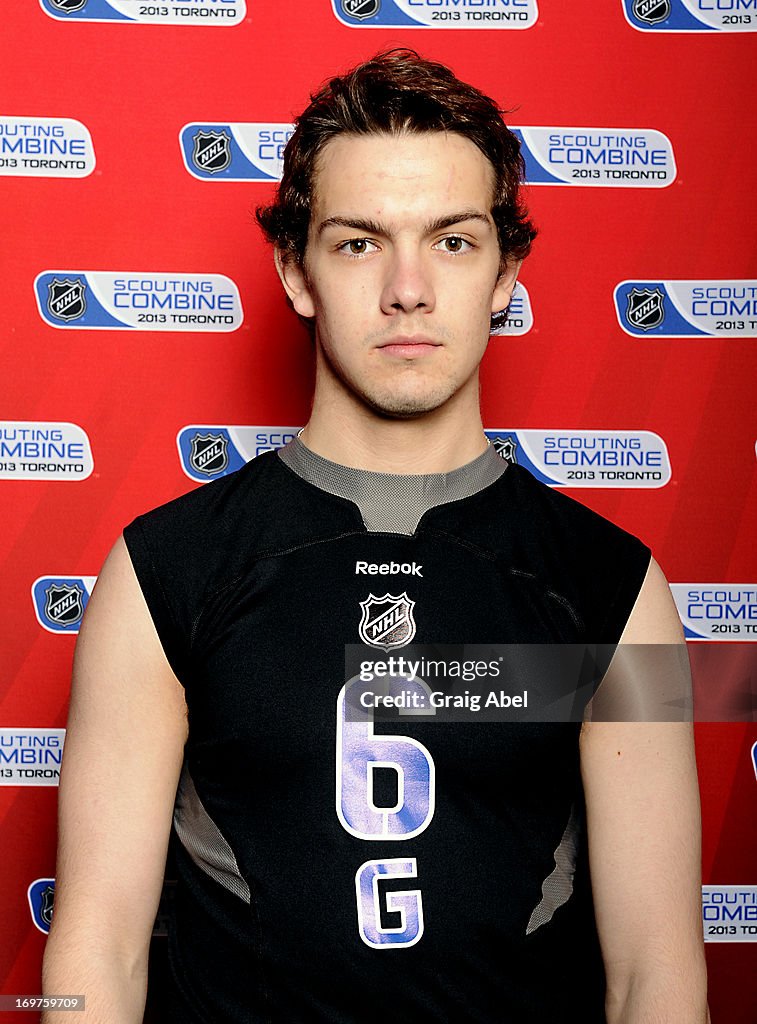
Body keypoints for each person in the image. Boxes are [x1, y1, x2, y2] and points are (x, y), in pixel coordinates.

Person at [42, 49, 709, 1023]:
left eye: (452, 241)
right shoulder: (167, 571)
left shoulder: (608, 588)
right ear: (296, 272)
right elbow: (97, 950)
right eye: (358, 243)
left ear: (503, 273)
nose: (407, 288)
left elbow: (655, 968)